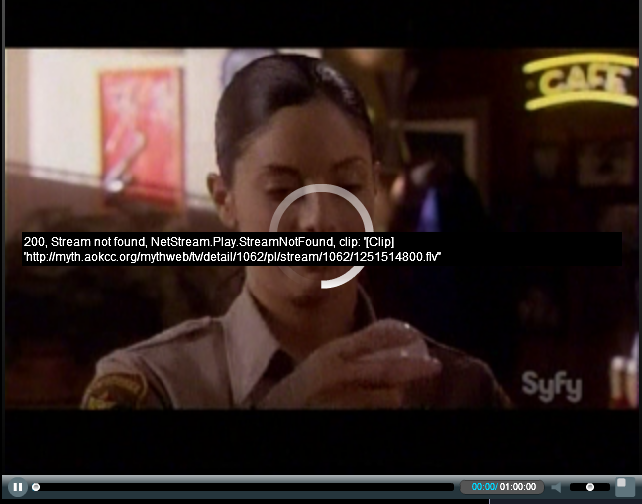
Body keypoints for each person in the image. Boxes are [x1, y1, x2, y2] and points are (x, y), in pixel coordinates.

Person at [81, 55, 511, 410]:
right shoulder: (152, 385)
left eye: (348, 185)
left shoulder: (458, 388)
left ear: (375, 187)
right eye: (282, 190)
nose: (319, 219)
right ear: (225, 199)